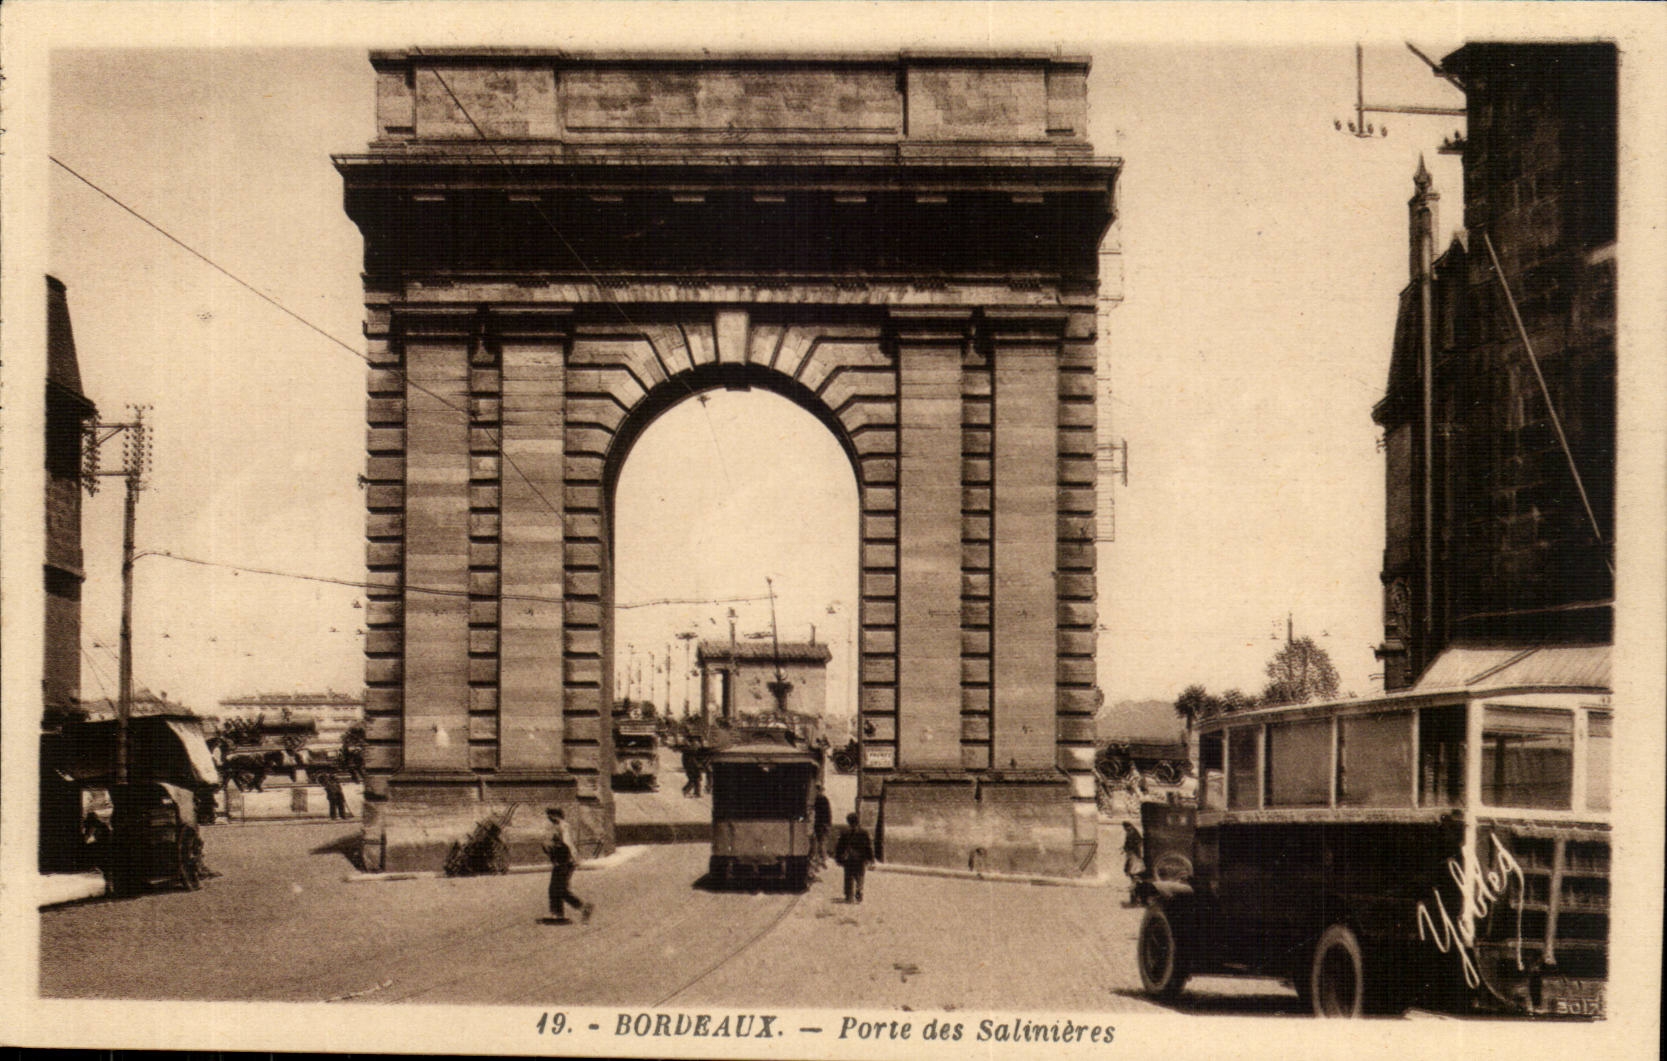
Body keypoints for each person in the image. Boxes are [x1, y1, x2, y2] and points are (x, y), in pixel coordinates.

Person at [541, 807, 593, 924]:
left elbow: (567, 843)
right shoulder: (557, 826)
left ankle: (584, 907)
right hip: (560, 860)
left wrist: (574, 858)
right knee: (554, 888)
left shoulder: (563, 826)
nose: (549, 818)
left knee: (560, 889)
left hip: (565, 861)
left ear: (556, 815)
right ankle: (558, 914)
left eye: (550, 815)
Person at [833, 812, 874, 904]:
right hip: (860, 859)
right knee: (860, 876)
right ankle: (859, 891)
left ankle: (849, 894)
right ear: (858, 821)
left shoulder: (845, 833)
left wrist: (838, 858)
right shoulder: (864, 832)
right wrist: (871, 858)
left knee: (849, 876)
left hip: (849, 859)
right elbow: (868, 846)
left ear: (848, 822)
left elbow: (839, 847)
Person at [810, 784, 833, 870]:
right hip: (821, 824)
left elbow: (826, 814)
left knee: (821, 842)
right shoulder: (822, 799)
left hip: (821, 824)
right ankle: (821, 860)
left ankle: (822, 860)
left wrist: (826, 824)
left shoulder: (820, 799)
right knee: (820, 842)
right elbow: (829, 813)